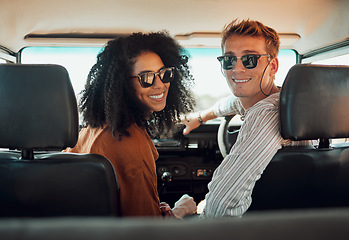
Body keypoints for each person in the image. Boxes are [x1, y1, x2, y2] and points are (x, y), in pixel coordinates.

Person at [181, 19, 313, 218]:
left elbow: (222, 205)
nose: (237, 69)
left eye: (250, 59)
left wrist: (191, 215)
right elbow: (230, 104)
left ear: (273, 66)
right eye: (229, 60)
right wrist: (200, 117)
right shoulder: (280, 101)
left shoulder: (265, 114)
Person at [65, 31, 197, 218]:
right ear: (122, 85)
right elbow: (147, 231)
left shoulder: (92, 130)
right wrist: (180, 211)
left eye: (164, 74)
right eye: (146, 78)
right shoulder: (132, 144)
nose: (160, 85)